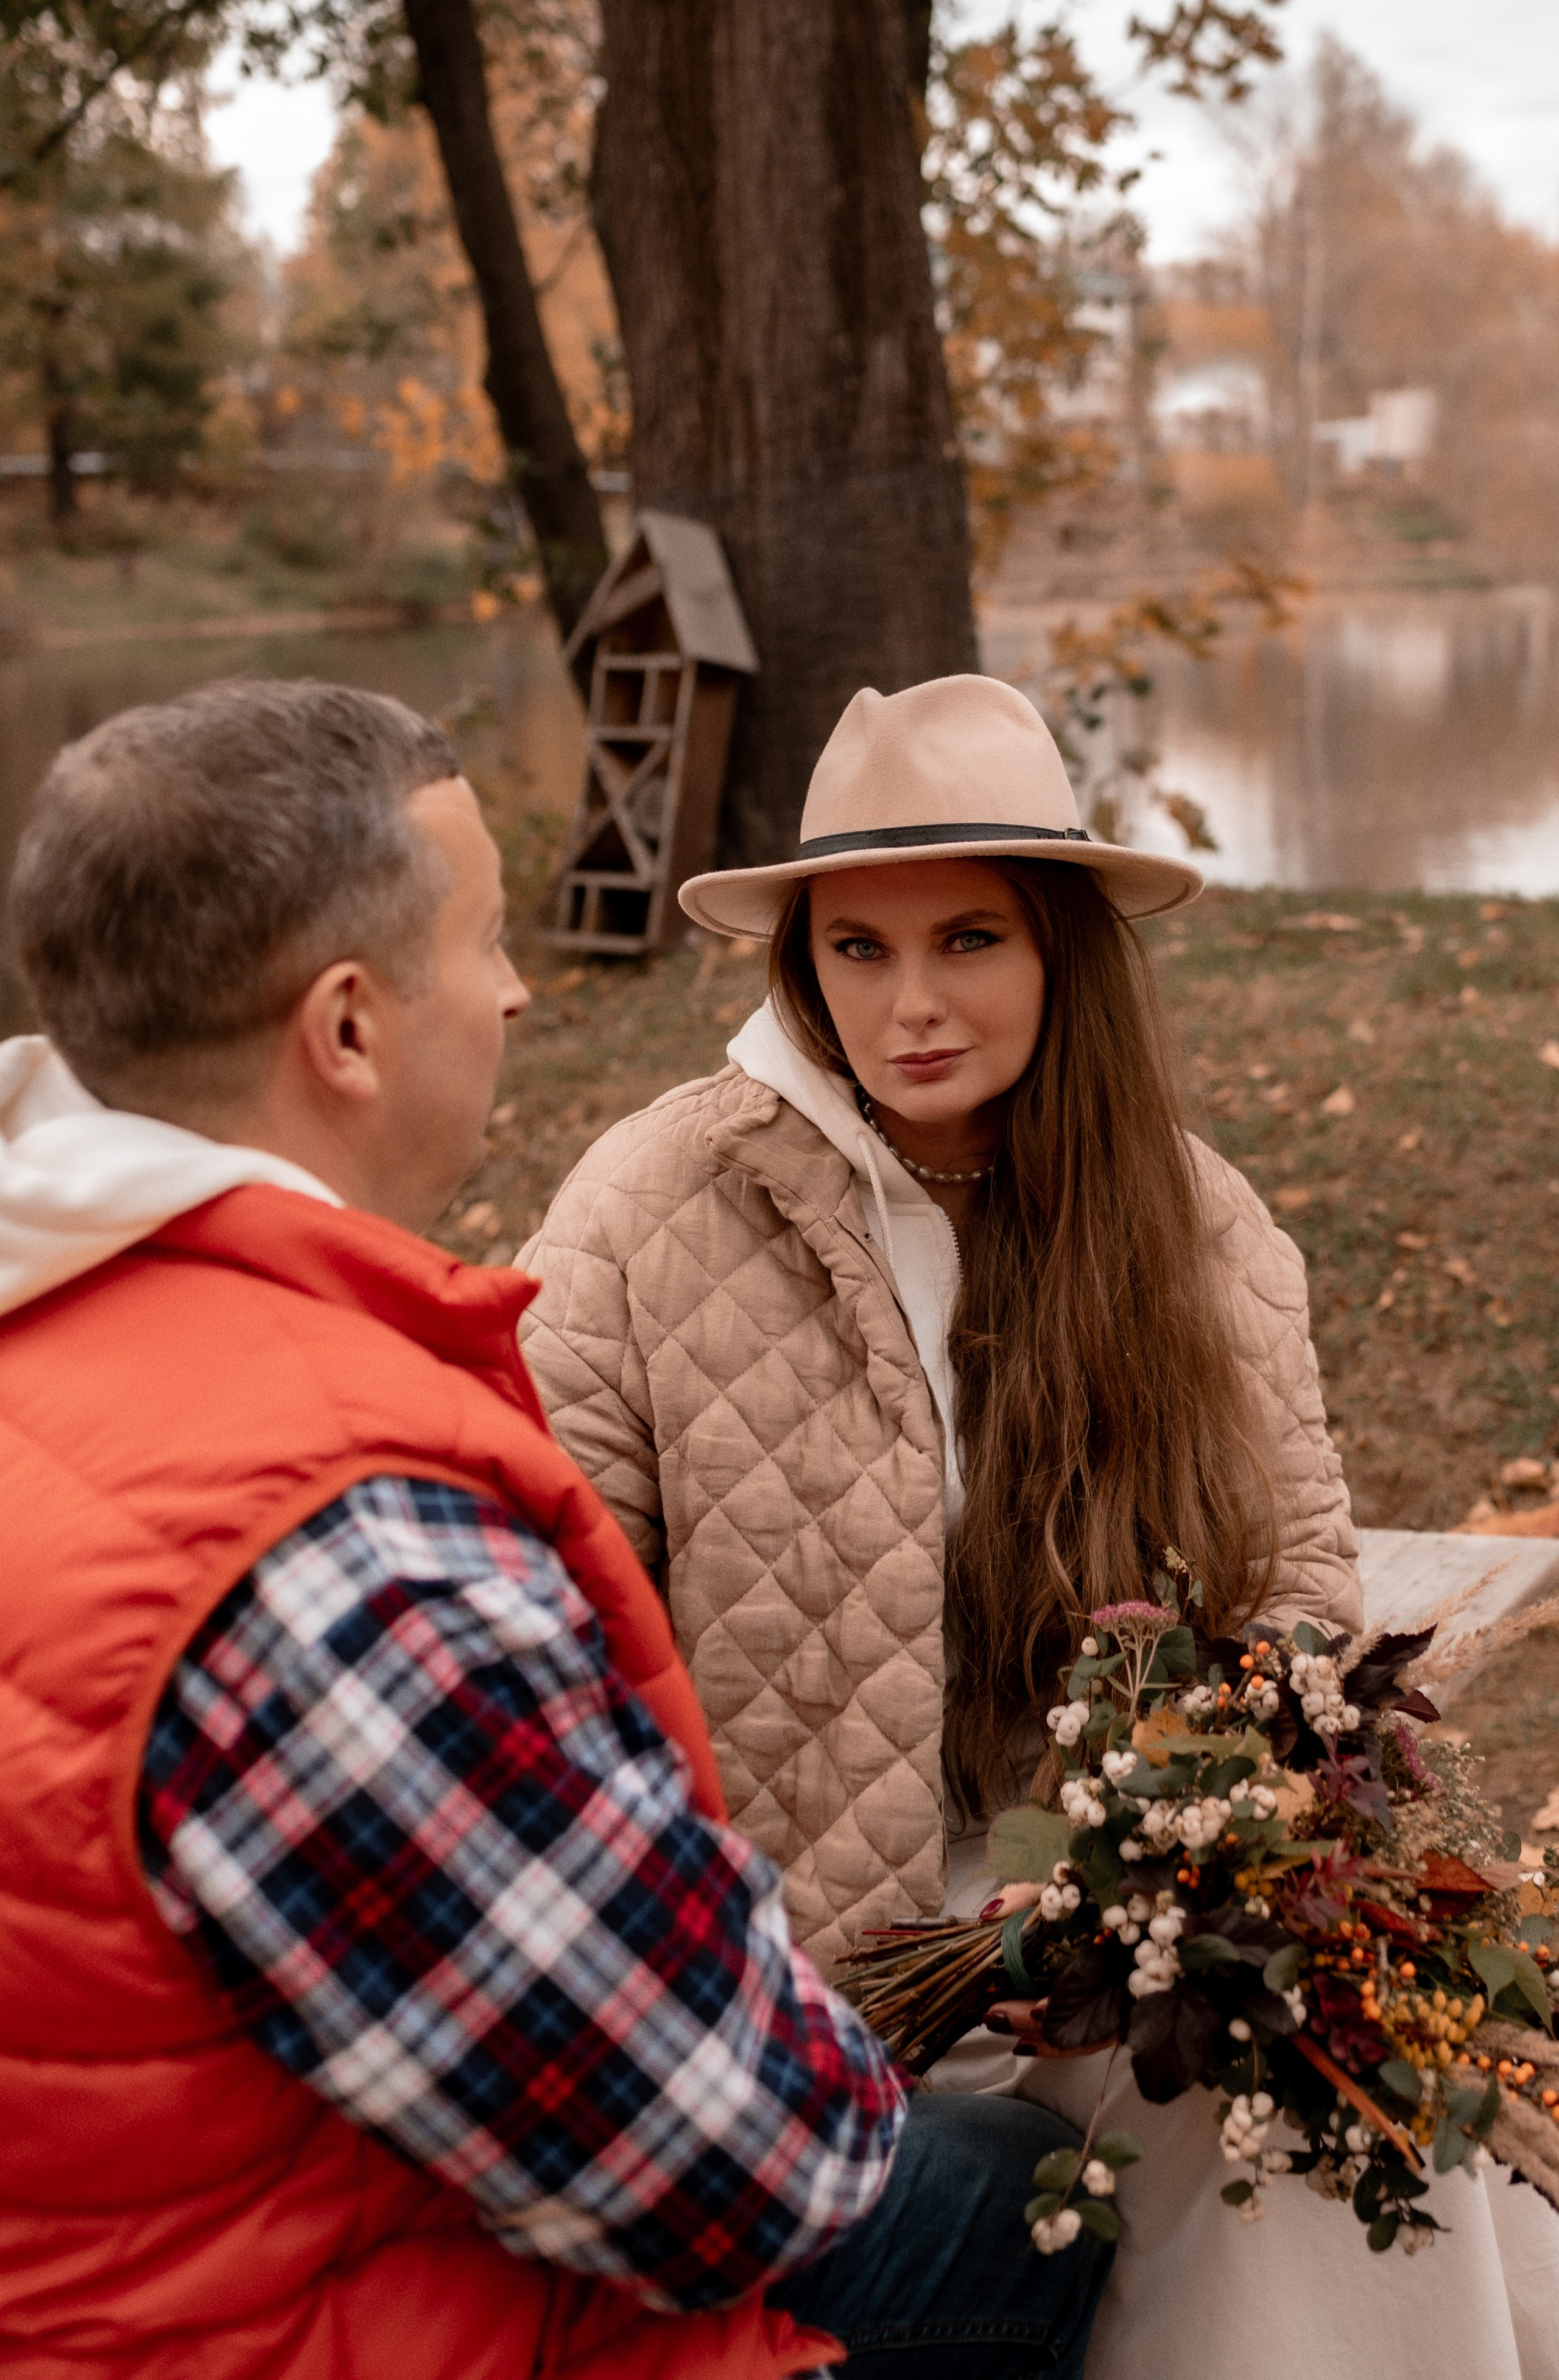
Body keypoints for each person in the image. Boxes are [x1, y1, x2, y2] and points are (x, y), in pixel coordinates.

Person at [0, 677, 1110, 2380]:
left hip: (161, 2229)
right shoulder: (341, 1556)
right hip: (309, 2322)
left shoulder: (59, 1336)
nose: (521, 988)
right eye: (488, 937)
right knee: (1016, 2197)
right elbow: (753, 2163)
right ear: (351, 1028)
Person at [520, 673, 1547, 2378]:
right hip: (797, 1981)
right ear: (803, 960)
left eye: (969, 940)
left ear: (1064, 946)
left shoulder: (1195, 1224)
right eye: (860, 948)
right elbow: (557, 1638)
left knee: (1326, 2128)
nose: (911, 1003)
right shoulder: (651, 1210)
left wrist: (1171, 1871)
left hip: (1111, 1947)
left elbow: (1297, 1597)